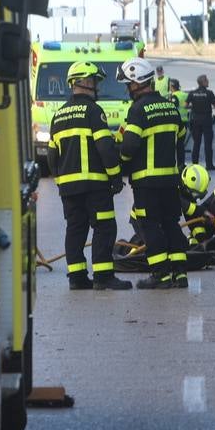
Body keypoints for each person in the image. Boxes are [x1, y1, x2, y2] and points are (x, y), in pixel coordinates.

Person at [46, 61, 132, 290]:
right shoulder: (94, 111)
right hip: (94, 185)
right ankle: (103, 277)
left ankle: (77, 278)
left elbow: (51, 154)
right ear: (83, 81)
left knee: (75, 229)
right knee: (104, 228)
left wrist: (60, 181)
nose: (97, 86)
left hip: (69, 188)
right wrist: (115, 177)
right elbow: (105, 147)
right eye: (94, 81)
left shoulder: (59, 115)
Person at [118, 57, 191, 289]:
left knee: (150, 226)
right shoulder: (170, 107)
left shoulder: (138, 110)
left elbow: (129, 146)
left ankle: (160, 275)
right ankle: (180, 275)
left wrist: (120, 163)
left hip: (146, 182)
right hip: (170, 180)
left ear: (137, 83)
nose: (128, 89)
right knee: (171, 224)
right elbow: (181, 136)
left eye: (128, 84)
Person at [186, 74, 215, 170]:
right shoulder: (209, 93)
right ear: (203, 82)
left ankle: (195, 164)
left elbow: (185, 105)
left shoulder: (192, 93)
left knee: (196, 143)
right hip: (206, 120)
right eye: (207, 80)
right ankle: (209, 165)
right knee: (208, 144)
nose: (208, 82)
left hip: (195, 120)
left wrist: (194, 106)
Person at [169, 78, 189, 163]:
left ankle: (175, 163)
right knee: (181, 144)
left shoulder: (174, 96)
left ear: (172, 87)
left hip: (176, 122)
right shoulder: (185, 94)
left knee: (174, 144)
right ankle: (181, 163)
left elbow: (173, 107)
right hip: (185, 121)